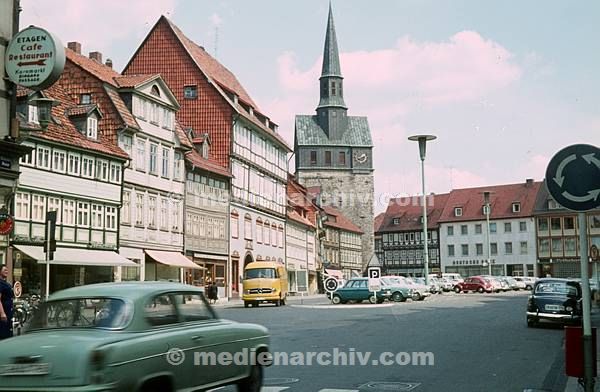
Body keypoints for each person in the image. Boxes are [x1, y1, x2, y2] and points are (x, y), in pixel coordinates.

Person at [0, 264, 14, 340]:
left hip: (8, 313)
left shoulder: (6, 283)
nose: (7, 271)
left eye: (7, 270)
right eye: (4, 270)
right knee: (3, 334)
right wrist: (2, 313)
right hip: (3, 314)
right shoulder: (0, 283)